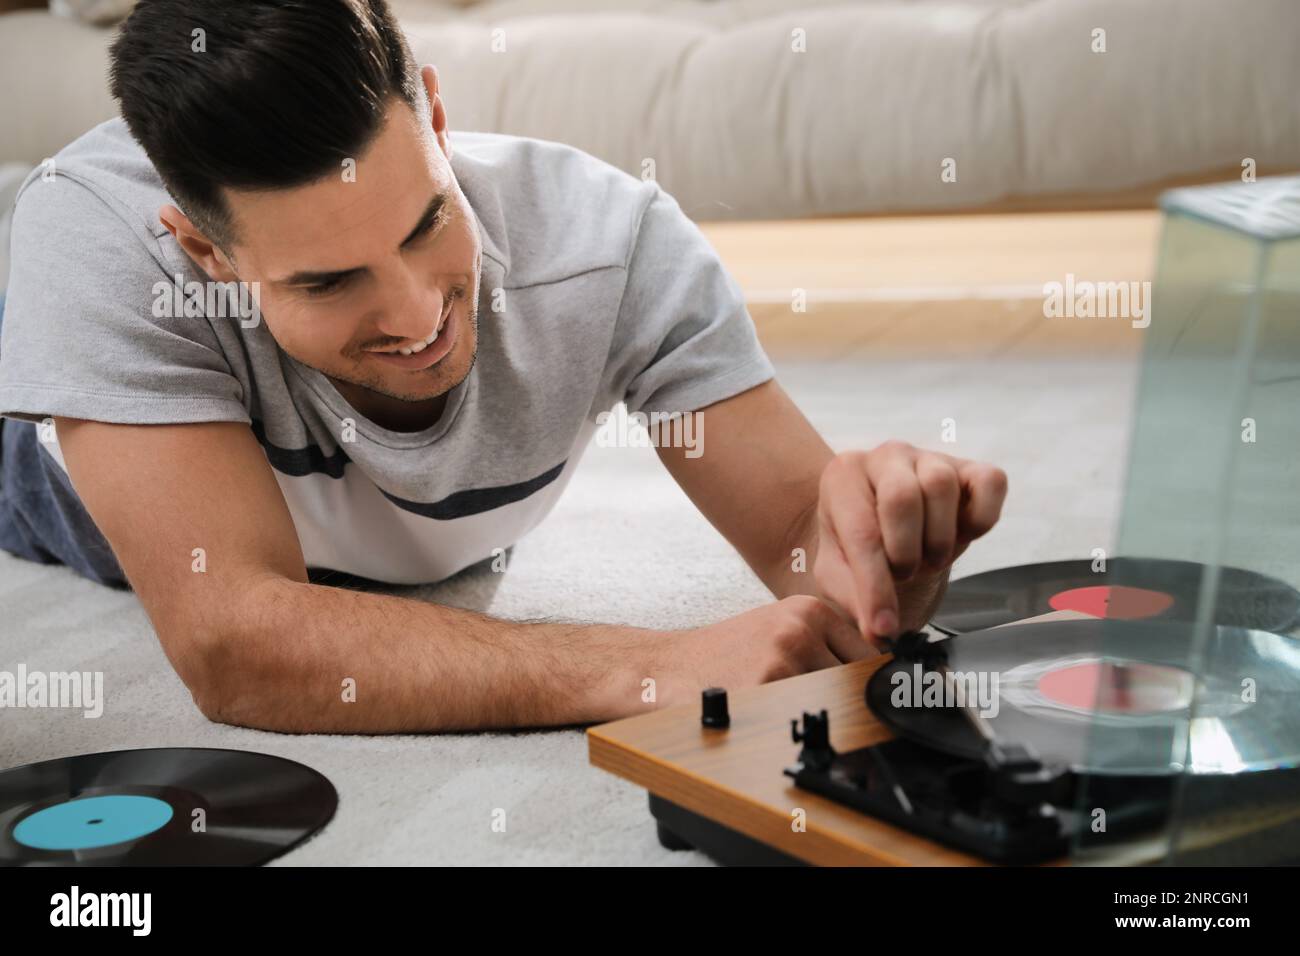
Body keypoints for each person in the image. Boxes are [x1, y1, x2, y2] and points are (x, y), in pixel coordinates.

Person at [0, 0, 1006, 733]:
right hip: (50, 477)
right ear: (208, 254)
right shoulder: (102, 237)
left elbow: (800, 537)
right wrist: (649, 666)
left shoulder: (611, 244)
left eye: (429, 219)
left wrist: (880, 552)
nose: (418, 315)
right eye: (329, 280)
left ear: (436, 118)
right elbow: (236, 643)